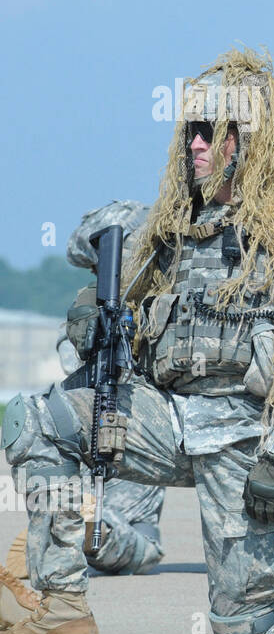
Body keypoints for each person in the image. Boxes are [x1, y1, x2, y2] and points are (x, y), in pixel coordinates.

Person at [0, 47, 274, 634]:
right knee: (34, 421)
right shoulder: (171, 230)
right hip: (169, 420)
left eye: (211, 132)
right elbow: (88, 238)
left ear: (251, 142)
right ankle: (60, 611)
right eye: (190, 131)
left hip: (253, 444)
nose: (195, 145)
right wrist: (98, 302)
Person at [5, 201, 168, 581]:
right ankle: (83, 529)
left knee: (131, 537)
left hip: (124, 443)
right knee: (140, 543)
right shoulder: (96, 314)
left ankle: (79, 529)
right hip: (120, 448)